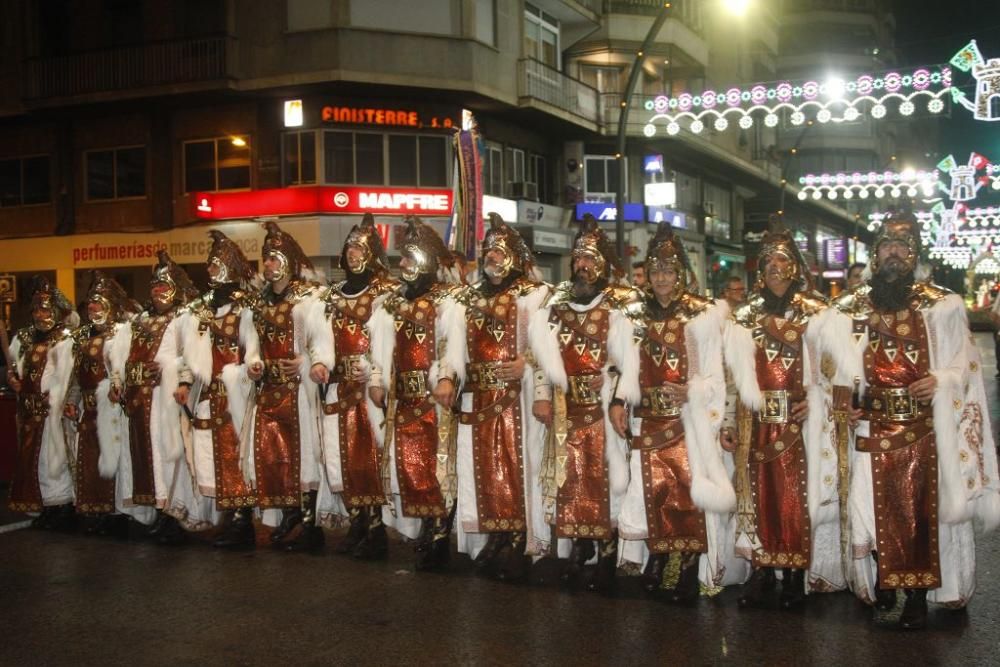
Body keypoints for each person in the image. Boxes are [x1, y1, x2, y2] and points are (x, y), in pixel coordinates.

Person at [821, 212, 1000, 630]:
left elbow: (966, 362)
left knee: (917, 512)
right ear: (875, 253)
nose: (894, 254)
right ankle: (885, 576)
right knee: (867, 508)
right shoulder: (849, 306)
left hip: (921, 429)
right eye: (887, 246)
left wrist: (941, 380)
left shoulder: (941, 304)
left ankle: (917, 594)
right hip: (869, 427)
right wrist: (845, 404)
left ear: (914, 252)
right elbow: (833, 367)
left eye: (902, 246)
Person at [612, 223, 744, 603]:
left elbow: (720, 372)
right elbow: (627, 368)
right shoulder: (634, 315)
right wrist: (620, 402)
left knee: (687, 492)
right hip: (648, 418)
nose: (661, 278)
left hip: (690, 419)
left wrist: (696, 392)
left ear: (682, 274)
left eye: (668, 271)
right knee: (652, 489)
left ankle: (688, 563)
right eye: (655, 272)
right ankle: (658, 554)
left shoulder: (704, 314)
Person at [723, 218, 846, 610]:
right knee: (756, 493)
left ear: (795, 265)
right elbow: (731, 377)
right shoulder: (743, 315)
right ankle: (761, 571)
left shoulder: (818, 312)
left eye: (781, 260)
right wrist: (728, 419)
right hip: (753, 420)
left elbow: (836, 371)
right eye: (767, 261)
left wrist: (819, 399)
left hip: (799, 421)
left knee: (794, 495)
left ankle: (793, 573)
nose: (774, 267)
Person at [527, 213, 638, 593]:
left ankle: (607, 549)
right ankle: (578, 546)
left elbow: (630, 362)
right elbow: (541, 356)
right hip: (565, 408)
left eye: (589, 260)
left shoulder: (620, 305)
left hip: (603, 409)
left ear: (603, 264)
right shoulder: (557, 302)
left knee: (604, 479)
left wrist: (610, 380)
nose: (582, 266)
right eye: (578, 260)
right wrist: (541, 396)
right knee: (570, 477)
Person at [446, 214, 550, 581]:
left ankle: (520, 536)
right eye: (488, 251)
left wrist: (529, 363)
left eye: (499, 251)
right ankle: (495, 533)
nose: (492, 258)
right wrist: (446, 378)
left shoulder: (534, 295)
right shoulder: (467, 298)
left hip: (516, 398)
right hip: (478, 397)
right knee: (483, 466)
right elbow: (453, 348)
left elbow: (547, 345)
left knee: (517, 463)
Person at [368, 215, 465, 571]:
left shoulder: (447, 301)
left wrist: (445, 378)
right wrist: (376, 379)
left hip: (433, 401)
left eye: (409, 258)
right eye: (402, 258)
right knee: (411, 467)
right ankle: (425, 524)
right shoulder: (391, 303)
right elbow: (378, 350)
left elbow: (449, 344)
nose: (403, 265)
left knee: (440, 466)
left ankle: (440, 532)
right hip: (403, 400)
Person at [242, 221, 333, 553]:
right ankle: (289, 515)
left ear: (289, 263)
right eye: (265, 259)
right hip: (268, 391)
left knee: (304, 456)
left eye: (274, 258)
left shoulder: (310, 299)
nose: (268, 265)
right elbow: (252, 344)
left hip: (299, 393)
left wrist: (309, 363)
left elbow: (323, 343)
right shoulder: (259, 304)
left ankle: (310, 526)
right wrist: (253, 363)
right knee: (272, 456)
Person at [317, 213, 399, 560]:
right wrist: (319, 363)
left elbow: (393, 343)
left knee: (370, 458)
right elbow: (317, 341)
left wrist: (378, 374)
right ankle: (356, 521)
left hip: (368, 389)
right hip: (337, 389)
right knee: (341, 459)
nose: (353, 255)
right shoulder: (330, 296)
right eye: (349, 249)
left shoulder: (387, 294)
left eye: (359, 249)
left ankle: (377, 528)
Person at [176, 231, 260, 549]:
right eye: (209, 266)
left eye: (215, 266)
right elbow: (189, 354)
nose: (210, 271)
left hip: (236, 396)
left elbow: (253, 348)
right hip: (207, 397)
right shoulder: (200, 312)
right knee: (211, 459)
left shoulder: (245, 308)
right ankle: (227, 517)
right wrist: (185, 383)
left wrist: (251, 367)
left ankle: (243, 522)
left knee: (237, 457)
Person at [109, 251, 198, 544]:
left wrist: (179, 378)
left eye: (164, 286)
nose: (158, 291)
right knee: (143, 457)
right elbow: (119, 357)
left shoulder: (184, 318)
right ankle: (152, 512)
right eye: (154, 286)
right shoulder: (138, 321)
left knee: (168, 456)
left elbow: (191, 356)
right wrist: (118, 381)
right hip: (137, 402)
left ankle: (172, 514)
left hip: (165, 399)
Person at [65, 271, 144, 535]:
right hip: (89, 413)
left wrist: (119, 390)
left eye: (99, 303)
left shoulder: (122, 335)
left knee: (117, 462)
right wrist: (72, 401)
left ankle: (119, 514)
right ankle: (97, 510)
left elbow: (127, 370)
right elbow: (77, 379)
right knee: (91, 463)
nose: (93, 308)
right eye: (90, 304)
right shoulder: (83, 339)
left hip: (112, 411)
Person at [6, 276, 78, 530]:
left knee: (54, 458)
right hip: (28, 409)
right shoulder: (25, 338)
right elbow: (15, 369)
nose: (40, 314)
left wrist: (58, 397)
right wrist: (15, 380)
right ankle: (45, 505)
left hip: (52, 409)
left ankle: (62, 506)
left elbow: (69, 374)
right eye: (36, 309)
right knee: (34, 460)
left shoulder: (65, 339)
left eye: (45, 309)